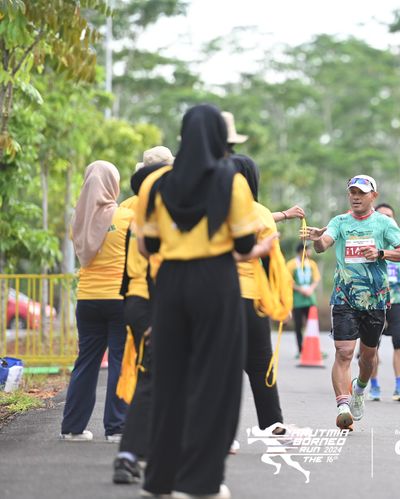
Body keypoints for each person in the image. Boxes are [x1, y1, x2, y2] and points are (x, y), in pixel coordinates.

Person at [136, 104, 260, 498]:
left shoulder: (155, 184)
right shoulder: (231, 181)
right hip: (216, 282)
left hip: (170, 284)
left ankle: (159, 481)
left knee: (169, 380)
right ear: (220, 140)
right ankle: (198, 483)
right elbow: (244, 244)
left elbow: (147, 245)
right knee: (215, 382)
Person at [301, 175, 400, 430]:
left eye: (361, 193)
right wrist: (317, 239)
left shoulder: (384, 223)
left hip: (375, 299)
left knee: (368, 357)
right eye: (352, 192)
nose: (356, 197)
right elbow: (323, 245)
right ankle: (343, 407)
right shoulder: (339, 222)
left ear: (374, 196)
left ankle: (359, 389)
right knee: (344, 351)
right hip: (344, 296)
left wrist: (381, 253)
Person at [113, 147, 173, 484]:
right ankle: (135, 454)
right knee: (156, 378)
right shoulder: (164, 213)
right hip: (155, 302)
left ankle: (137, 452)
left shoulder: (133, 209)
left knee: (150, 375)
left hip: (137, 301)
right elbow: (158, 265)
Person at [60, 161, 132, 442]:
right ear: (113, 184)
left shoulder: (78, 221)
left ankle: (72, 427)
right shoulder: (126, 217)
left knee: (86, 361)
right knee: (118, 360)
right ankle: (116, 428)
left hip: (87, 299)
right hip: (119, 299)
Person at [232, 154, 292, 438]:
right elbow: (272, 263)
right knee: (260, 362)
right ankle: (272, 422)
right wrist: (280, 301)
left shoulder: (209, 208)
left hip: (216, 295)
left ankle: (220, 432)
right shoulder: (260, 212)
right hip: (252, 298)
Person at [368, 202, 400, 402]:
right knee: (371, 346)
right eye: (381, 215)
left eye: (389, 215)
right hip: (373, 301)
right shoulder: (368, 241)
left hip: (398, 300)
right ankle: (373, 386)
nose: (386, 219)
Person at [287, 242, 321, 357]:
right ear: (302, 251)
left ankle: (314, 349)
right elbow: (287, 280)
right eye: (308, 250)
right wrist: (299, 289)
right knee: (298, 325)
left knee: (312, 324)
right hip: (297, 300)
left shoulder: (312, 264)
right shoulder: (291, 264)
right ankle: (300, 350)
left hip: (310, 299)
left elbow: (316, 279)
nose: (310, 252)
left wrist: (311, 289)